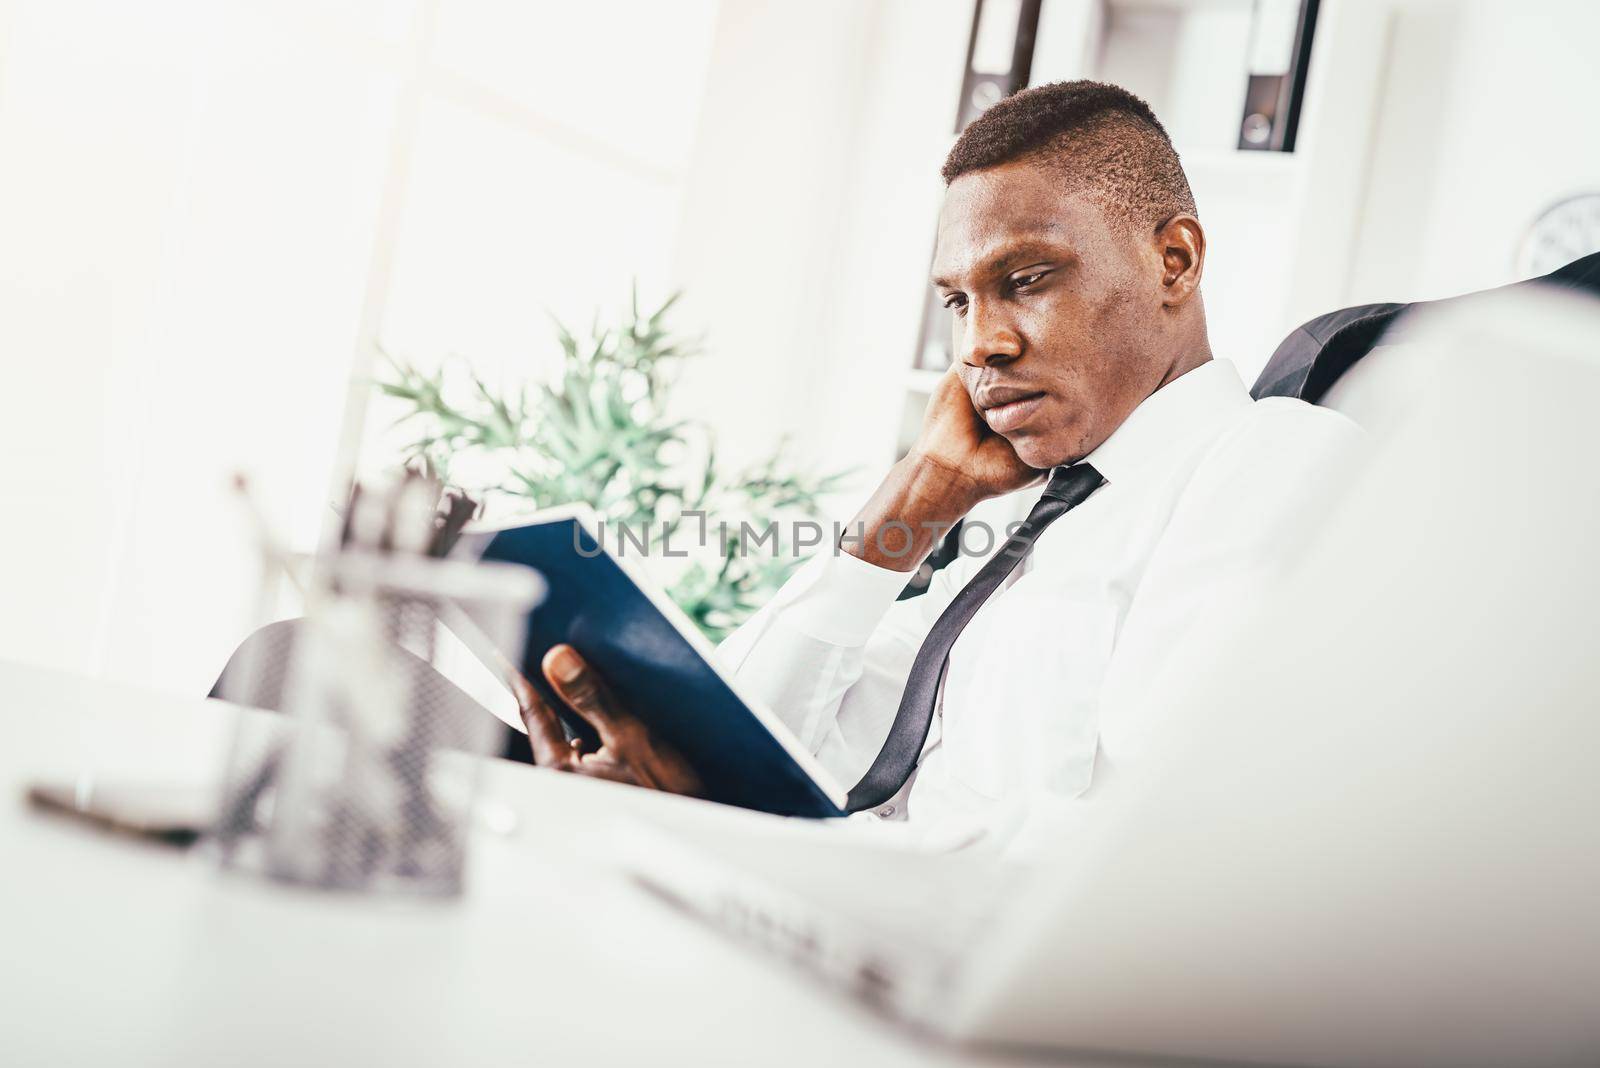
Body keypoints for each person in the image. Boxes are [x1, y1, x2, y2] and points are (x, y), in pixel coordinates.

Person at [516, 80, 1361, 852]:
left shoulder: (1271, 462)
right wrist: (920, 493)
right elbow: (767, 750)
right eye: (957, 302)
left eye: (1026, 280)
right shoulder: (1016, 517)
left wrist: (791, 850)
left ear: (1172, 260)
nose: (977, 346)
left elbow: (1143, 856)